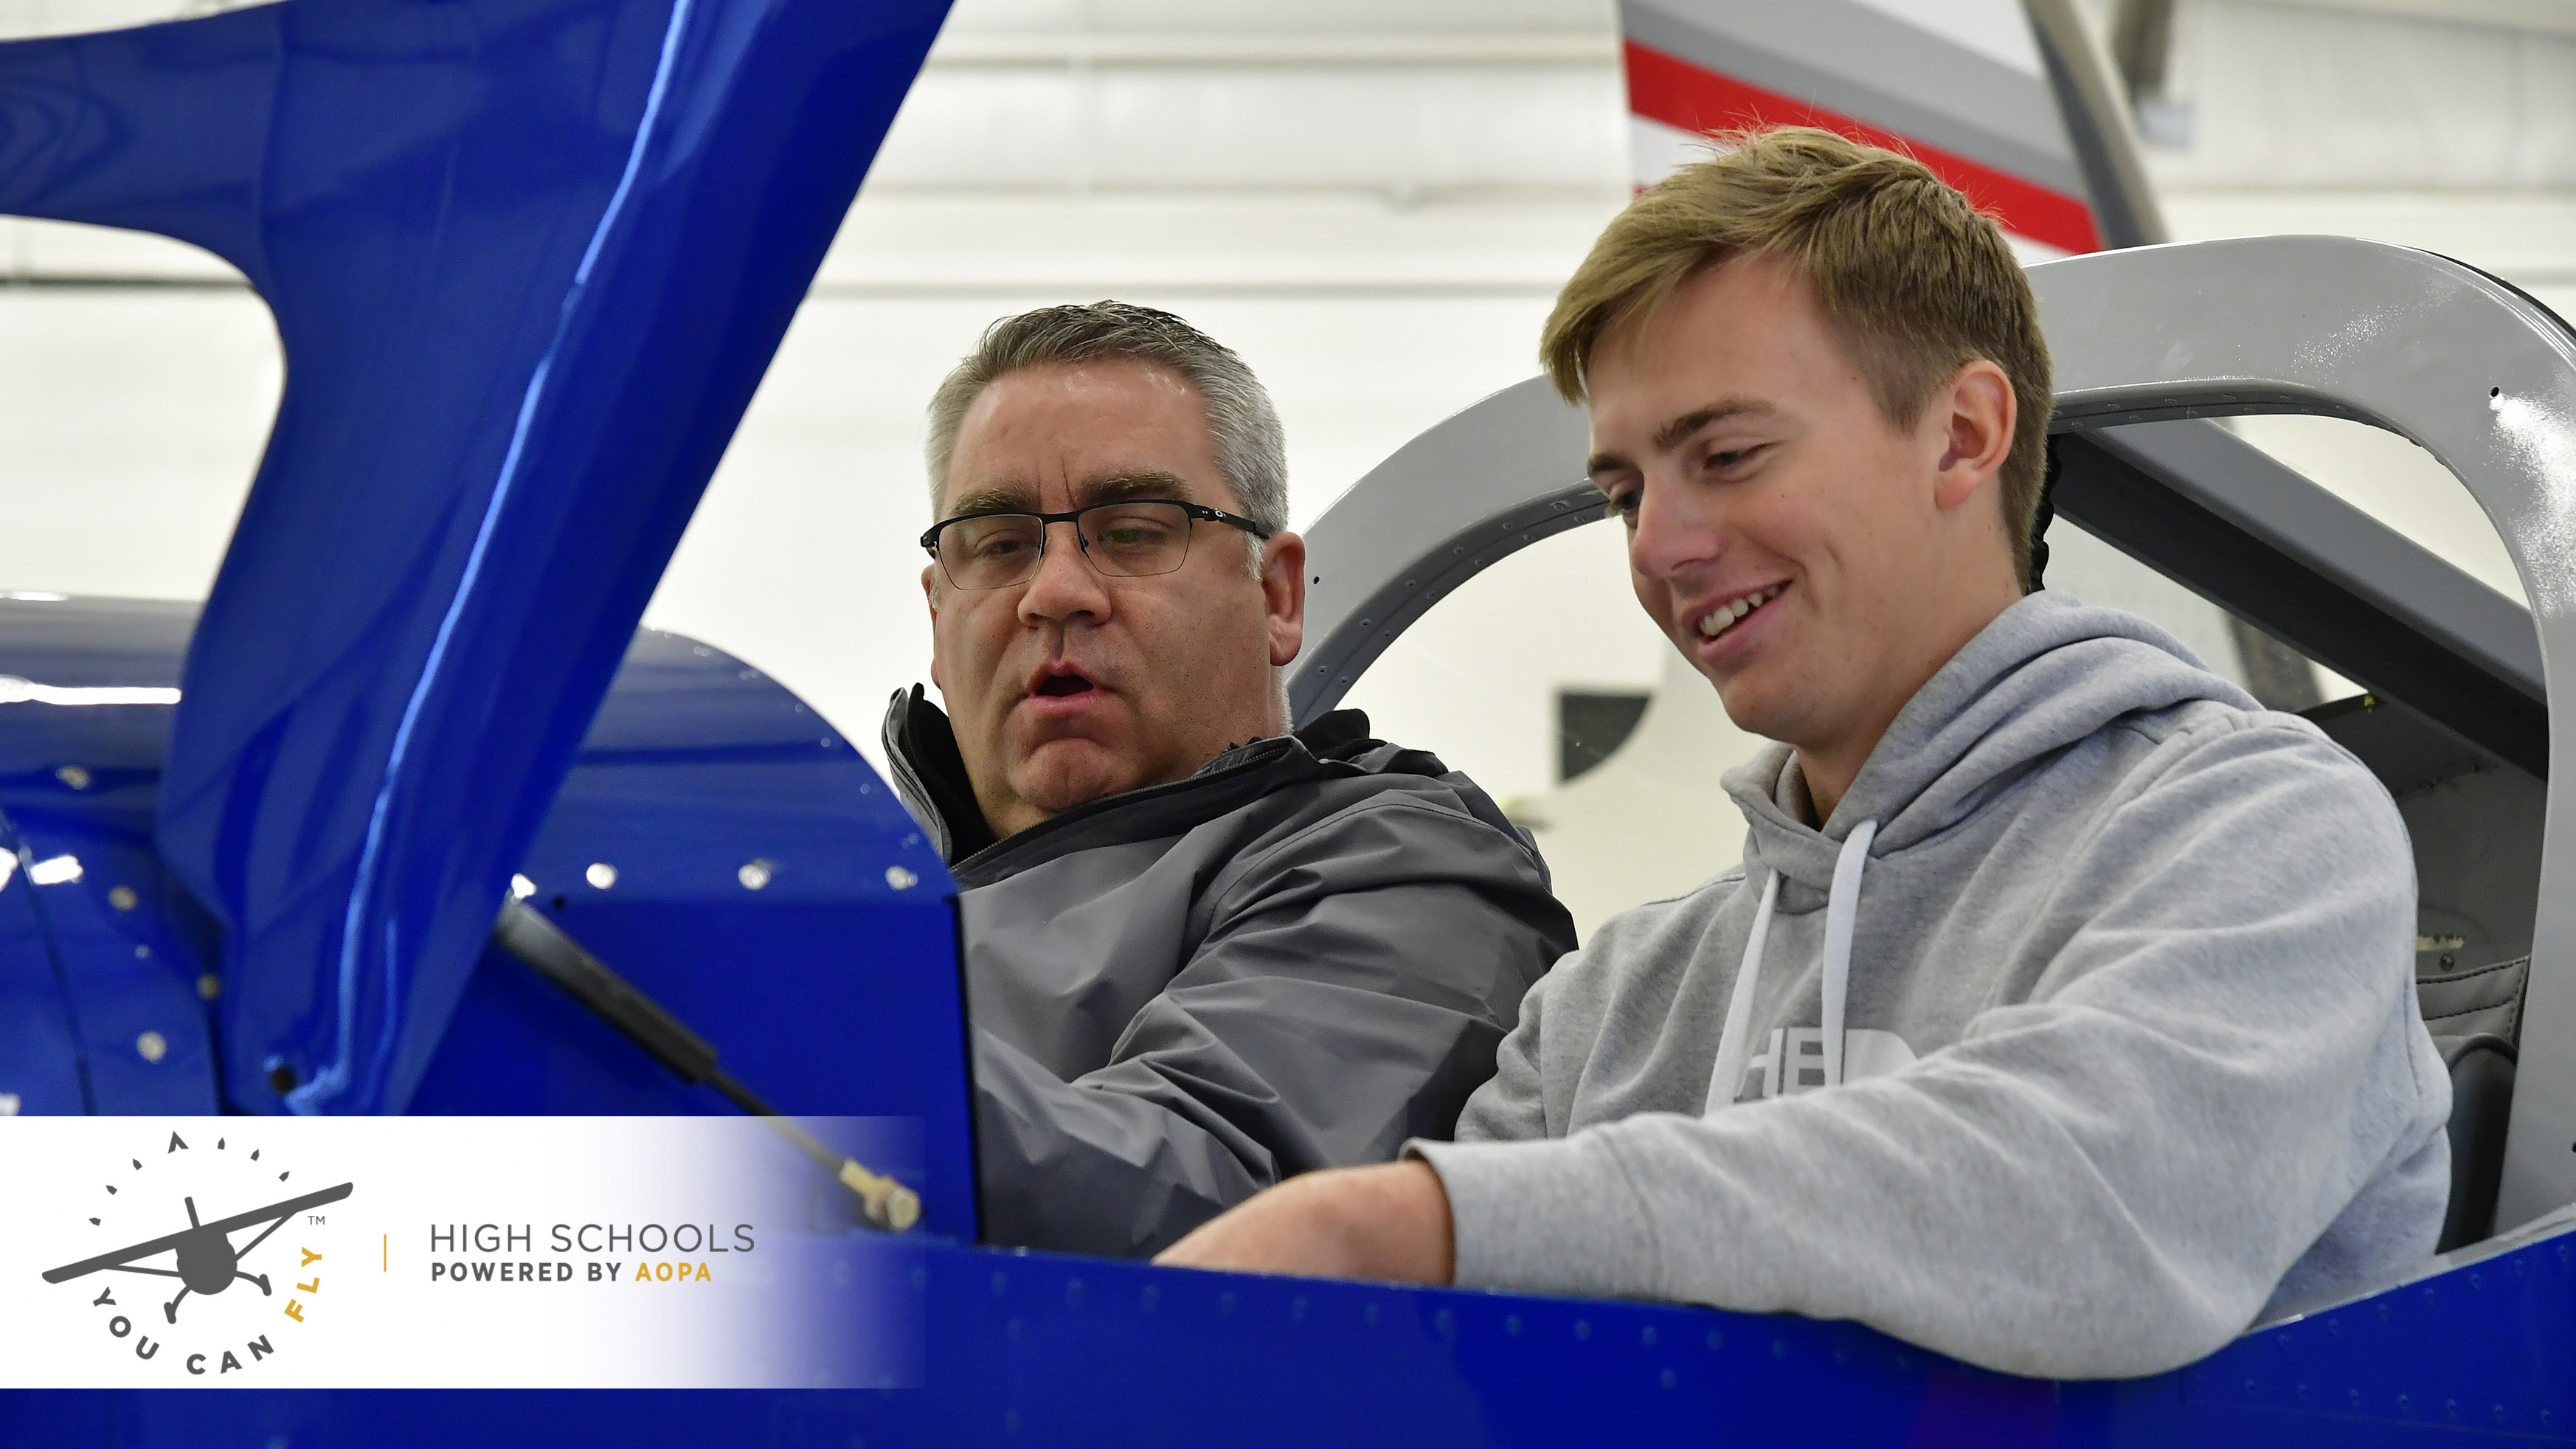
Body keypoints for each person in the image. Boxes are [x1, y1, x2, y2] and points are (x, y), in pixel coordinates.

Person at [1155, 129, 2451, 1380]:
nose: (1659, 548)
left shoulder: (2262, 832)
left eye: (1727, 455)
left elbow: (2103, 1204)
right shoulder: (1616, 1008)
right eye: (1627, 494)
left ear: (1963, 435)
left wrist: (1407, 1225)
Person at [884, 301, 1578, 1258]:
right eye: (999, 544)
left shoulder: (1402, 869)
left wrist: (788, 1057)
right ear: (936, 611)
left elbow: (1214, 1208)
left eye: (1130, 531)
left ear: (1278, 596)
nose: (1054, 593)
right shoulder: (868, 895)